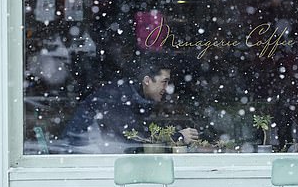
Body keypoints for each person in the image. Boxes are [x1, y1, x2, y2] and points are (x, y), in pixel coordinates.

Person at [62, 56, 199, 153]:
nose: (168, 87)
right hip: (85, 157)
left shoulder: (132, 95)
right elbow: (132, 139)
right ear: (147, 81)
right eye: (164, 82)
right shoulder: (117, 98)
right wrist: (177, 137)